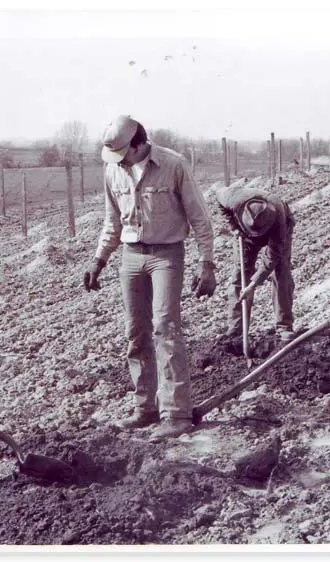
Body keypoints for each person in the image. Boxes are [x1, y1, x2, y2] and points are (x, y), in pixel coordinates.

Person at [84, 115, 216, 441]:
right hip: (131, 257)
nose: (120, 161)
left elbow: (199, 216)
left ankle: (177, 414)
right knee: (136, 333)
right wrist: (98, 260)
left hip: (167, 255)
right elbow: (112, 222)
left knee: (166, 327)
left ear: (138, 142)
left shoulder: (173, 165)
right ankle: (145, 408)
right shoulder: (113, 170)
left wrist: (208, 264)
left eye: (123, 152)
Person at [214, 185, 296, 345]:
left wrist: (253, 284)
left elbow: (272, 257)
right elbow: (219, 200)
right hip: (244, 235)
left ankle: (284, 326)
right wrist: (234, 226)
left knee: (281, 275)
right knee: (239, 276)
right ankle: (236, 328)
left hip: (279, 232)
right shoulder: (231, 198)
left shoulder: (278, 216)